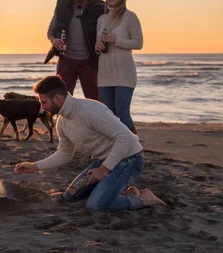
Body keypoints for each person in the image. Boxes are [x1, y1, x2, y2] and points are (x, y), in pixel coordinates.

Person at [14, 76, 166, 212]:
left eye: (44, 102)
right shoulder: (62, 122)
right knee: (70, 195)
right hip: (103, 161)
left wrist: (104, 169)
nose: (42, 107)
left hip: (130, 159)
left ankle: (144, 199)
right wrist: (35, 166)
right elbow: (65, 154)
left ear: (58, 99)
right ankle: (127, 192)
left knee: (96, 206)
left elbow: (126, 138)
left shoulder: (89, 110)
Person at [95, 0, 143, 134]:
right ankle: (113, 150)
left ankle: (134, 151)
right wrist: (97, 47)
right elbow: (98, 44)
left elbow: (138, 43)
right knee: (109, 116)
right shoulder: (101, 19)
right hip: (104, 74)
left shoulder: (130, 17)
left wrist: (117, 40)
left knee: (122, 114)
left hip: (124, 75)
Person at [47, 0, 104, 100]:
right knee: (61, 100)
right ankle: (64, 121)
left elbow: (107, 31)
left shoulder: (100, 6)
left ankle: (93, 121)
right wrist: (53, 40)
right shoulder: (62, 5)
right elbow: (50, 31)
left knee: (95, 101)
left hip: (90, 61)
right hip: (66, 59)